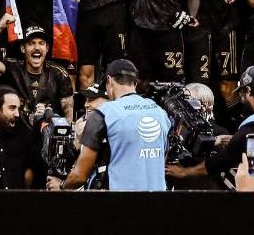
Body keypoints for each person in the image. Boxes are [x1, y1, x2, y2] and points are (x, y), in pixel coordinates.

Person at [48, 59, 169, 191]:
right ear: (135, 82)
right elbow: (161, 159)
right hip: (158, 203)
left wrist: (61, 186)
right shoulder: (160, 112)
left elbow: (79, 176)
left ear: (109, 81)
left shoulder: (102, 114)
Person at [0, 18, 73, 121]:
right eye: (31, 43)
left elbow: (68, 112)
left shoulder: (58, 73)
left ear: (47, 48)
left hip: (47, 130)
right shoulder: (13, 67)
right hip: (15, 129)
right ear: (23, 48)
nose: (37, 47)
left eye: (41, 43)